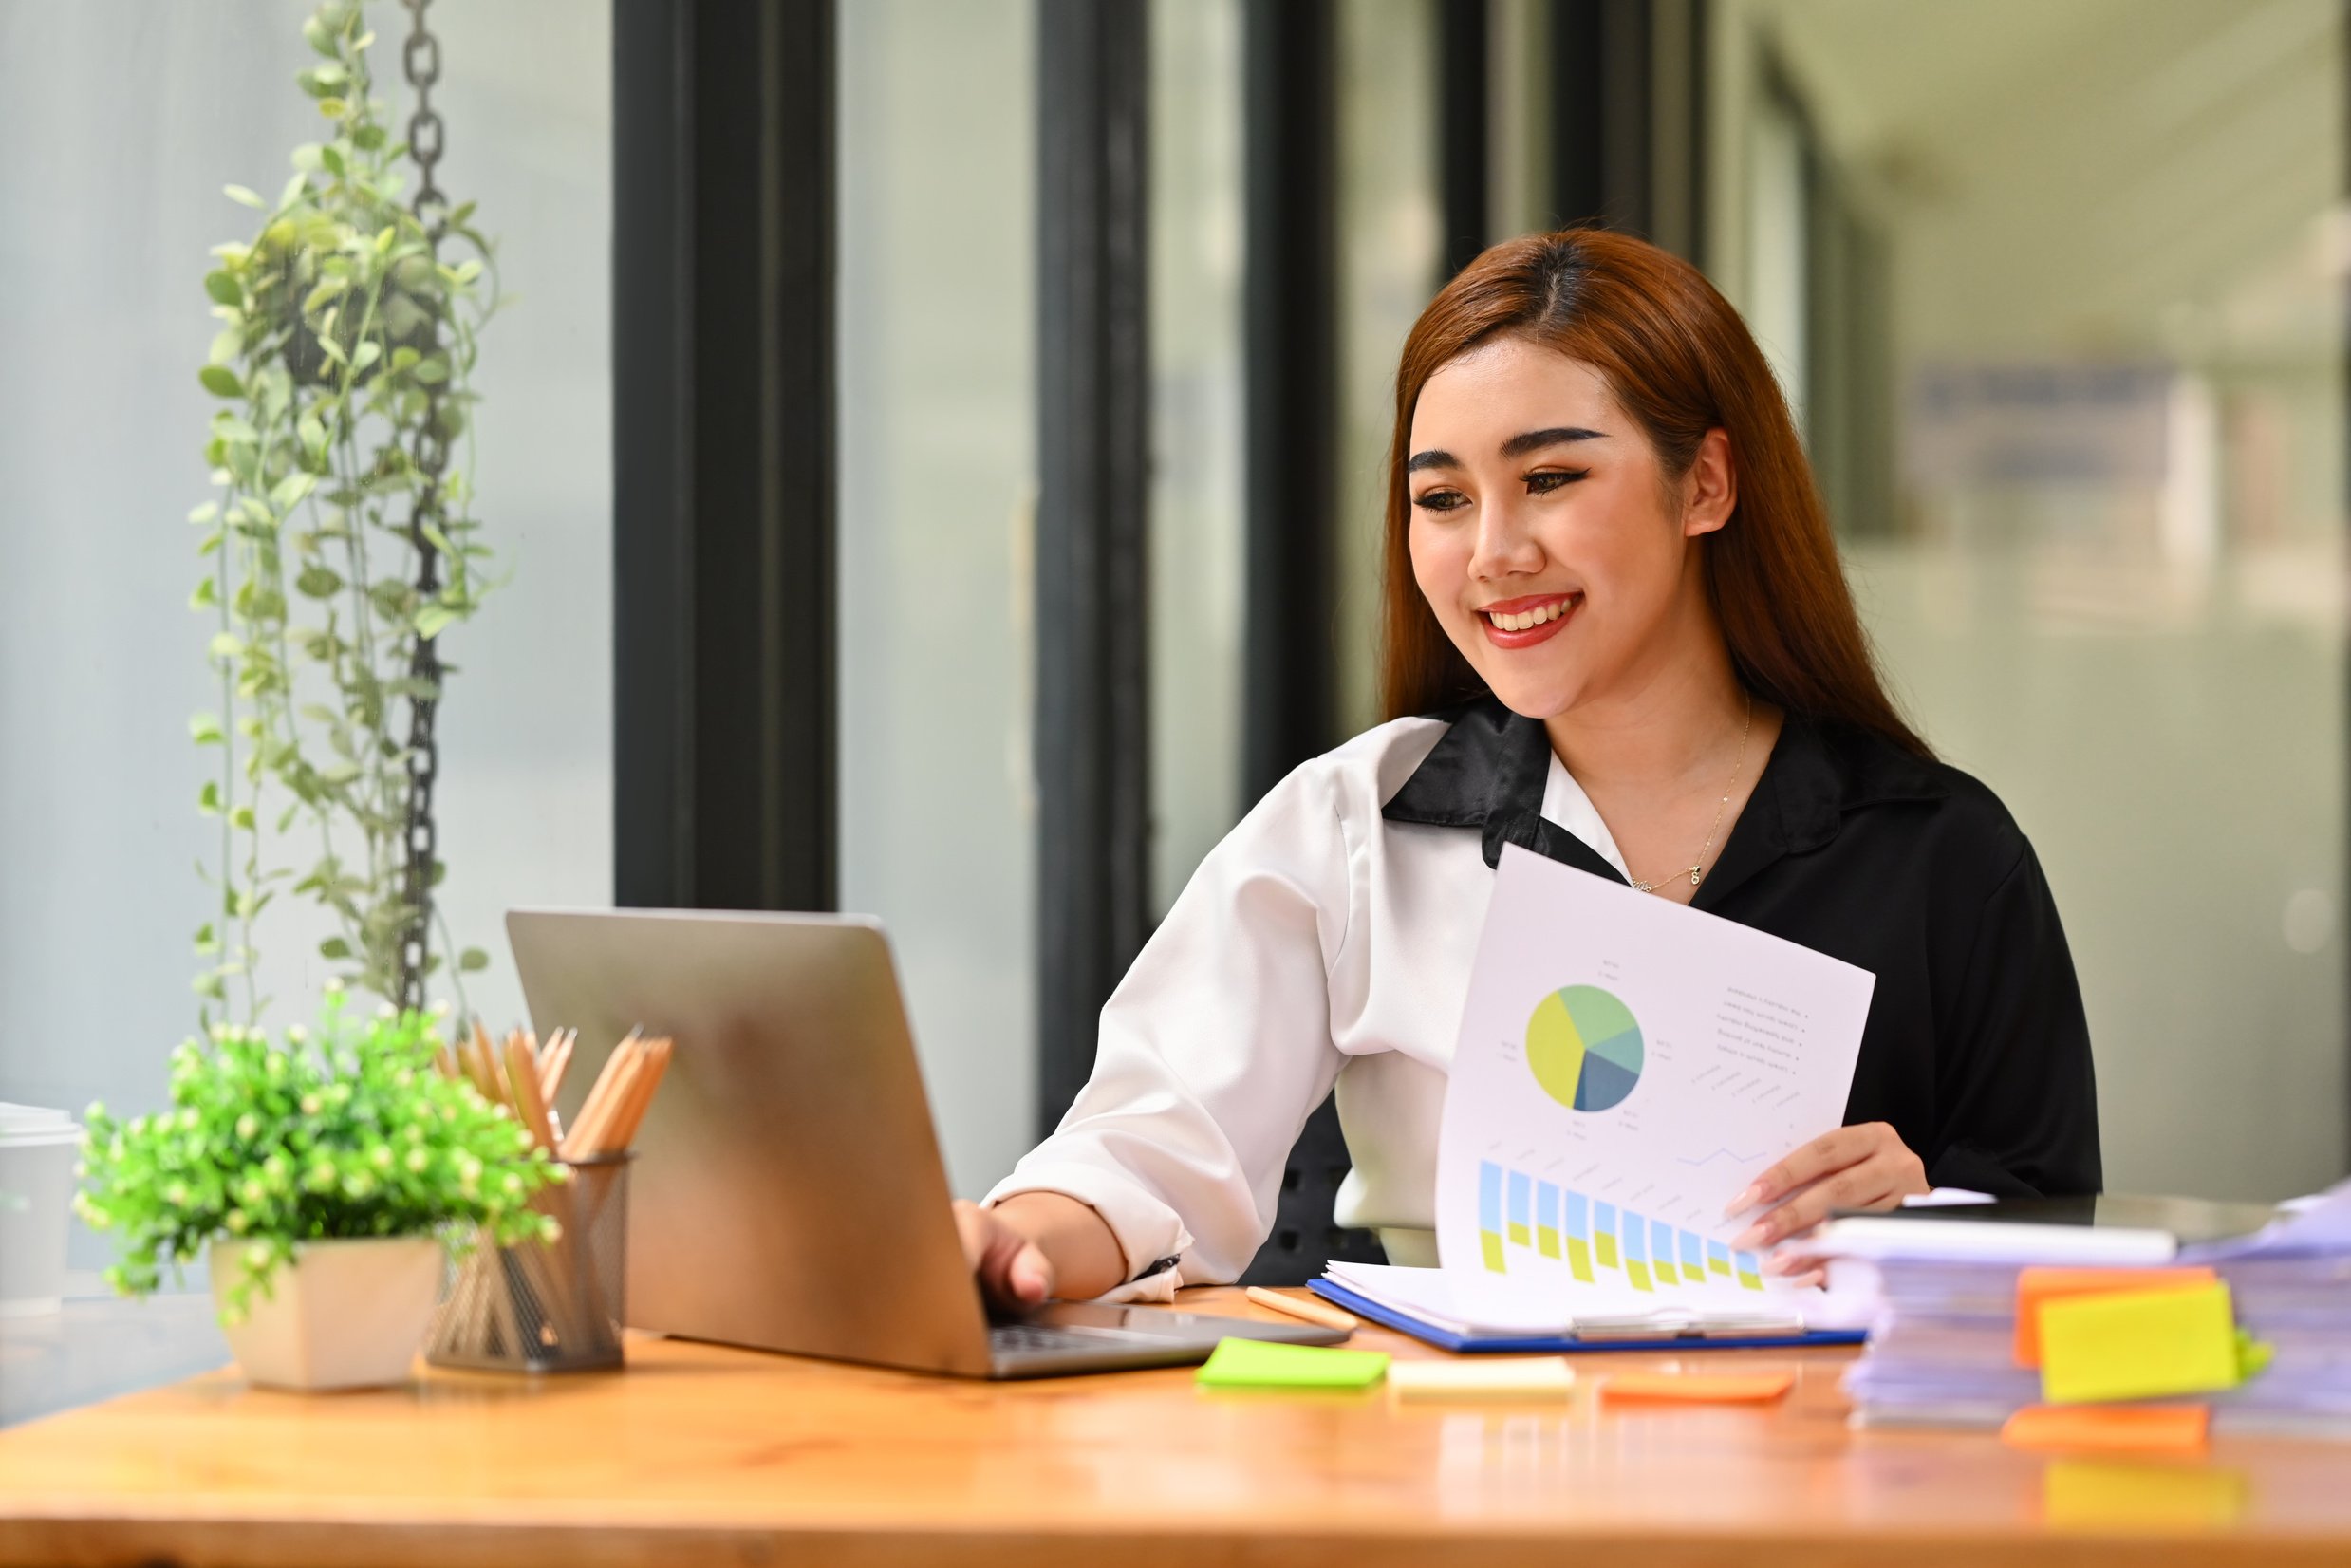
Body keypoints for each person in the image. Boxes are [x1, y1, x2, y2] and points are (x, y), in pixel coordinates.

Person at [957, 228, 2100, 1310]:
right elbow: (1146, 1149)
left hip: (1800, 1478)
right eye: (1442, 498)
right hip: (1443, 1458)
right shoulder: (1362, 826)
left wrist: (1918, 1223)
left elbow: (2053, 1253)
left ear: (1704, 482)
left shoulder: (1941, 855)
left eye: (1548, 479)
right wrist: (1003, 1246)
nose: (1493, 553)